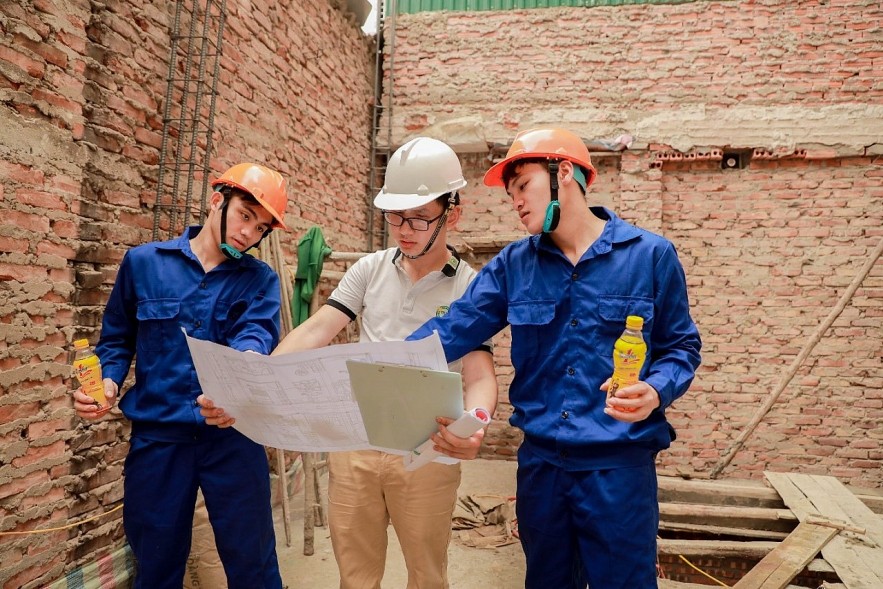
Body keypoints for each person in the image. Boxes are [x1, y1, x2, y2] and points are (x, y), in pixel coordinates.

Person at [408, 128, 702, 589]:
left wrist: (657, 389)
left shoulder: (650, 257)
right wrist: (376, 364)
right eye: (511, 194)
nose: (516, 202)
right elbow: (450, 331)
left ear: (563, 173)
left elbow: (681, 347)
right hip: (542, 469)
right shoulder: (514, 265)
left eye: (522, 186)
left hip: (618, 468)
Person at [199, 137, 498, 589]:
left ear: (451, 215)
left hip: (428, 451)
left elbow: (479, 371)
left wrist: (476, 423)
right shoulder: (370, 269)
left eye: (419, 218)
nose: (404, 229)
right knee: (355, 576)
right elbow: (319, 329)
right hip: (354, 444)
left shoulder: (470, 287)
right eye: (395, 216)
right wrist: (258, 380)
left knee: (427, 574)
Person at [72, 163, 290, 589]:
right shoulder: (144, 264)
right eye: (245, 215)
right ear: (216, 202)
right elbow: (116, 341)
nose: (250, 234)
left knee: (254, 565)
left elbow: (256, 336)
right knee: (155, 563)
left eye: (262, 228)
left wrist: (240, 377)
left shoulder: (260, 281)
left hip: (233, 436)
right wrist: (110, 382)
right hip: (159, 439)